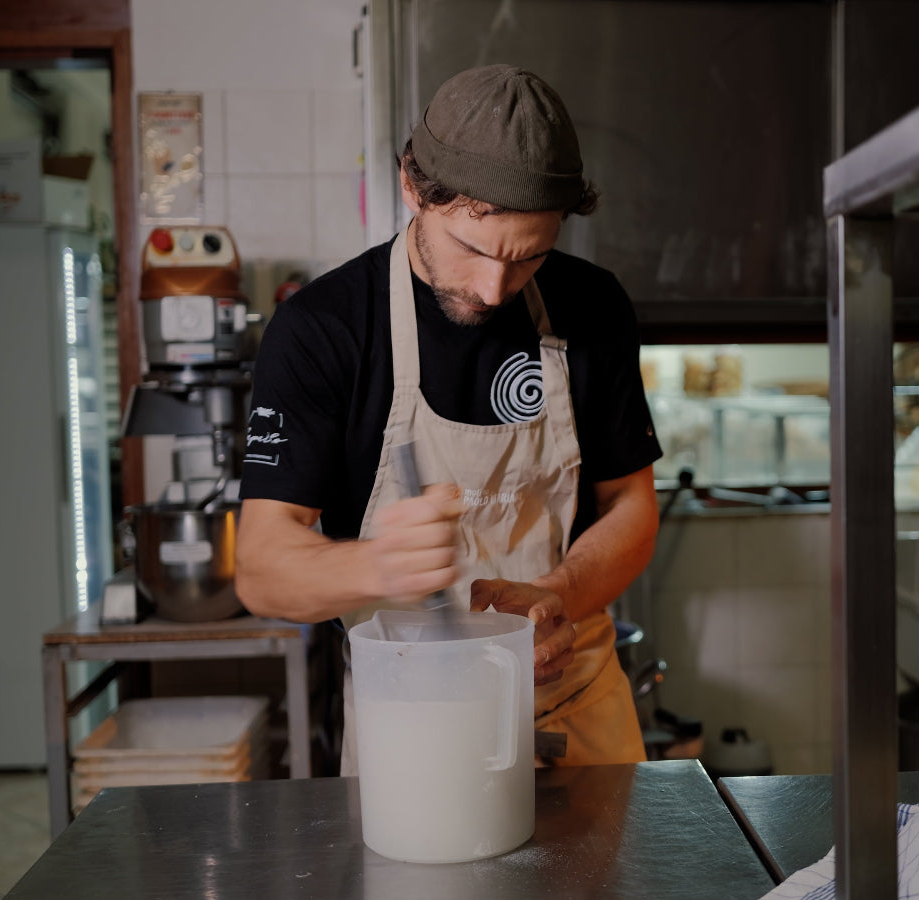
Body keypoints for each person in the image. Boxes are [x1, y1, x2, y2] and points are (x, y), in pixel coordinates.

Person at [236, 64, 662, 772]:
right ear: (412, 185)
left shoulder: (594, 306)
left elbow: (632, 507)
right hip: (413, 733)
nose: (493, 287)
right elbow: (261, 569)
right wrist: (378, 564)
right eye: (472, 249)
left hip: (576, 719)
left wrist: (556, 597)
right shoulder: (324, 328)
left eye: (529, 258)